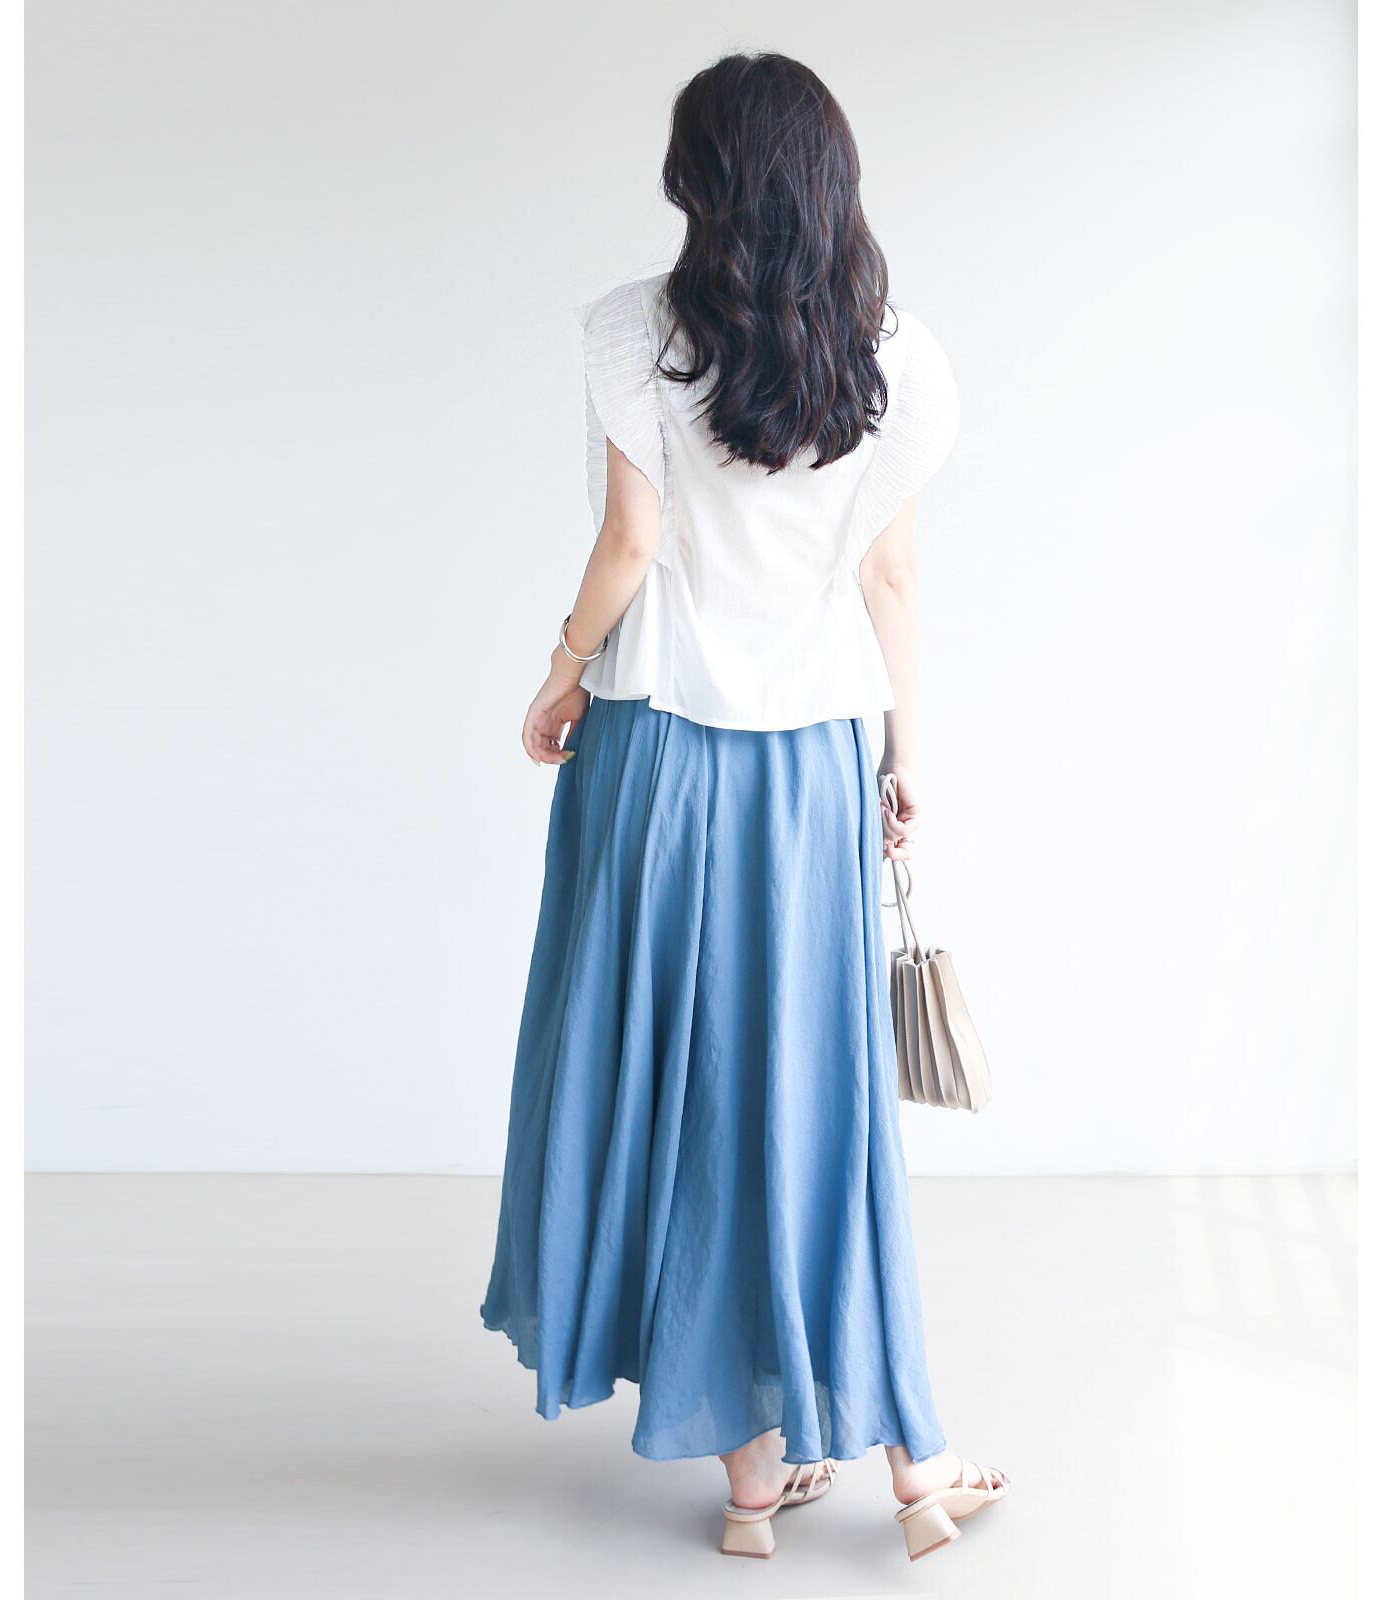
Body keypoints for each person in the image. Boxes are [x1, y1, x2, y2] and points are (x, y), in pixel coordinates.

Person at [480, 51, 1008, 1564]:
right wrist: (905, 749)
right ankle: (913, 1459)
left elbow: (630, 540)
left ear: (698, 178)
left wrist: (561, 674)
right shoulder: (898, 356)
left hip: (653, 750)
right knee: (810, 1095)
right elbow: (890, 574)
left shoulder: (634, 331)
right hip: (811, 764)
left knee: (672, 1082)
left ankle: (751, 1475)